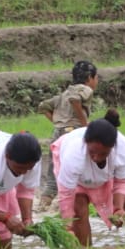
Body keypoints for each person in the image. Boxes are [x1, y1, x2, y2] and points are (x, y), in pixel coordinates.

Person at [53, 113, 125, 247]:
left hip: (108, 175)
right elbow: (66, 194)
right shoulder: (73, 154)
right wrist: (68, 227)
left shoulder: (122, 148)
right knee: (79, 207)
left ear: (112, 147)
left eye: (103, 154)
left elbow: (121, 182)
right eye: (92, 152)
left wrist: (118, 208)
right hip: (79, 179)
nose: (96, 158)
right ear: (86, 143)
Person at [36, 60, 98, 210]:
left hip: (58, 134)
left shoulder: (65, 93)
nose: (96, 81)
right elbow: (75, 100)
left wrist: (58, 122)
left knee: (54, 171)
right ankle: (68, 203)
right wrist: (84, 123)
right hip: (73, 133)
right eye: (96, 78)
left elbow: (43, 106)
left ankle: (44, 203)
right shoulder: (85, 89)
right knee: (75, 168)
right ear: (89, 78)